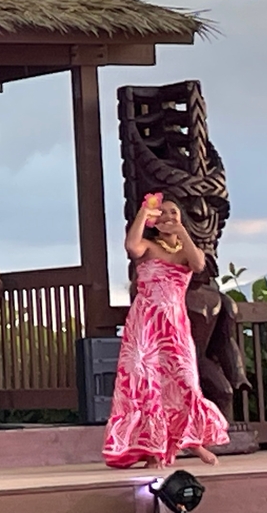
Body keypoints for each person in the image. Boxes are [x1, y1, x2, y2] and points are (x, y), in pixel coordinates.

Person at [102, 194, 230, 469]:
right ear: (155, 222)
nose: (169, 217)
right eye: (163, 214)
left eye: (174, 213)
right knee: (147, 385)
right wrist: (143, 213)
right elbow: (131, 245)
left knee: (184, 381)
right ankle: (152, 451)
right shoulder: (147, 246)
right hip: (145, 323)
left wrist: (182, 231)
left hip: (174, 326)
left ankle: (195, 444)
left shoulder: (185, 251)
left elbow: (197, 265)